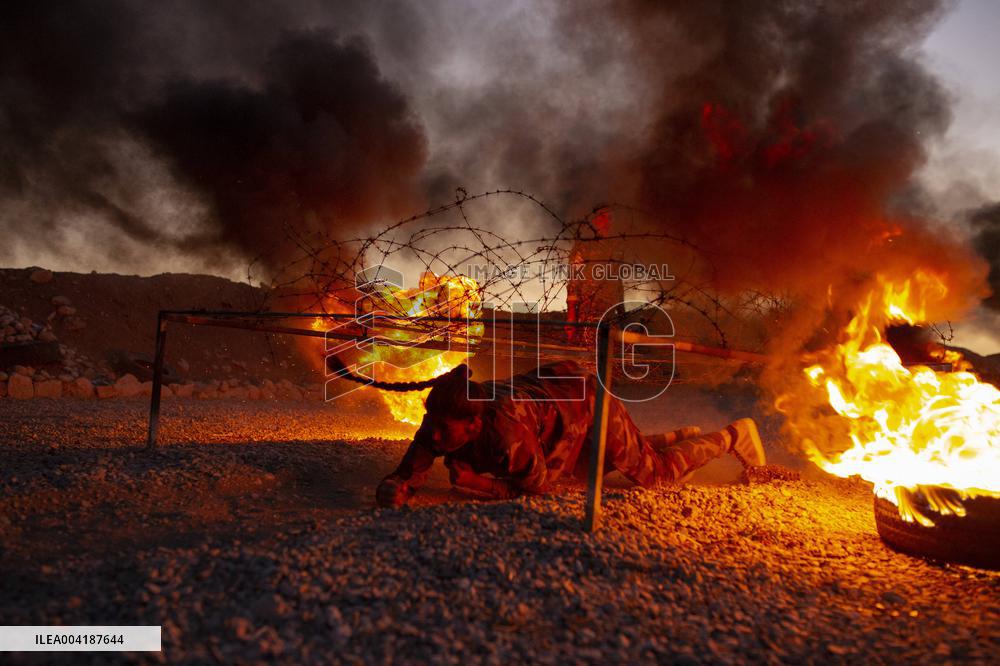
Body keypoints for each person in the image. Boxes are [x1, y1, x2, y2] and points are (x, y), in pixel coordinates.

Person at [329, 358, 766, 507]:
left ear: (475, 424)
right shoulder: (443, 419)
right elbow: (409, 472)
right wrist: (395, 486)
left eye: (444, 432)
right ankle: (675, 436)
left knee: (652, 475)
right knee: (590, 463)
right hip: (555, 398)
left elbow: (536, 488)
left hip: (585, 401)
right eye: (433, 429)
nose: (435, 440)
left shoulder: (506, 436)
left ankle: (732, 436)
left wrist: (480, 483)